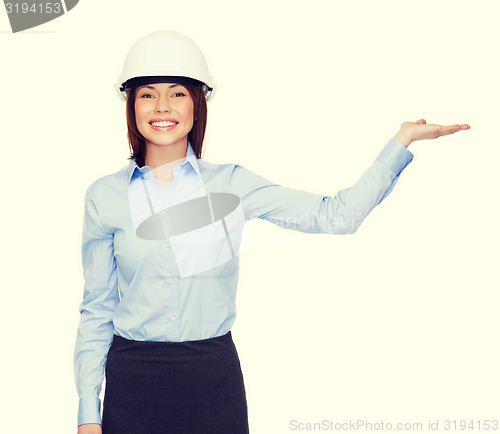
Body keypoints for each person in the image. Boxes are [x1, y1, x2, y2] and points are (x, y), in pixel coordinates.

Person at [73, 30, 470, 434]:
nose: (162, 106)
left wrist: (401, 141)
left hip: (212, 380)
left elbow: (335, 216)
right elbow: (98, 307)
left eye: (177, 93)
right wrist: (89, 411)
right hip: (133, 382)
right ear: (131, 104)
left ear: (198, 102)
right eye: (147, 94)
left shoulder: (233, 185)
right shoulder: (104, 196)